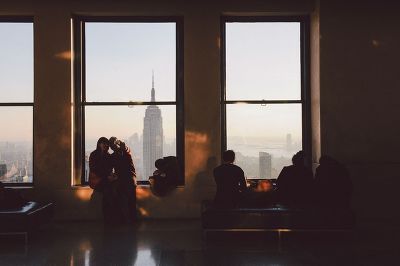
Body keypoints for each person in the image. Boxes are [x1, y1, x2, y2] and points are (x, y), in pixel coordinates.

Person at [109, 137, 137, 224]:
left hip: (126, 179)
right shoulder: (124, 153)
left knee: (125, 199)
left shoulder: (123, 152)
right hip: (128, 179)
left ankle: (127, 219)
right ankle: (130, 219)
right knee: (130, 200)